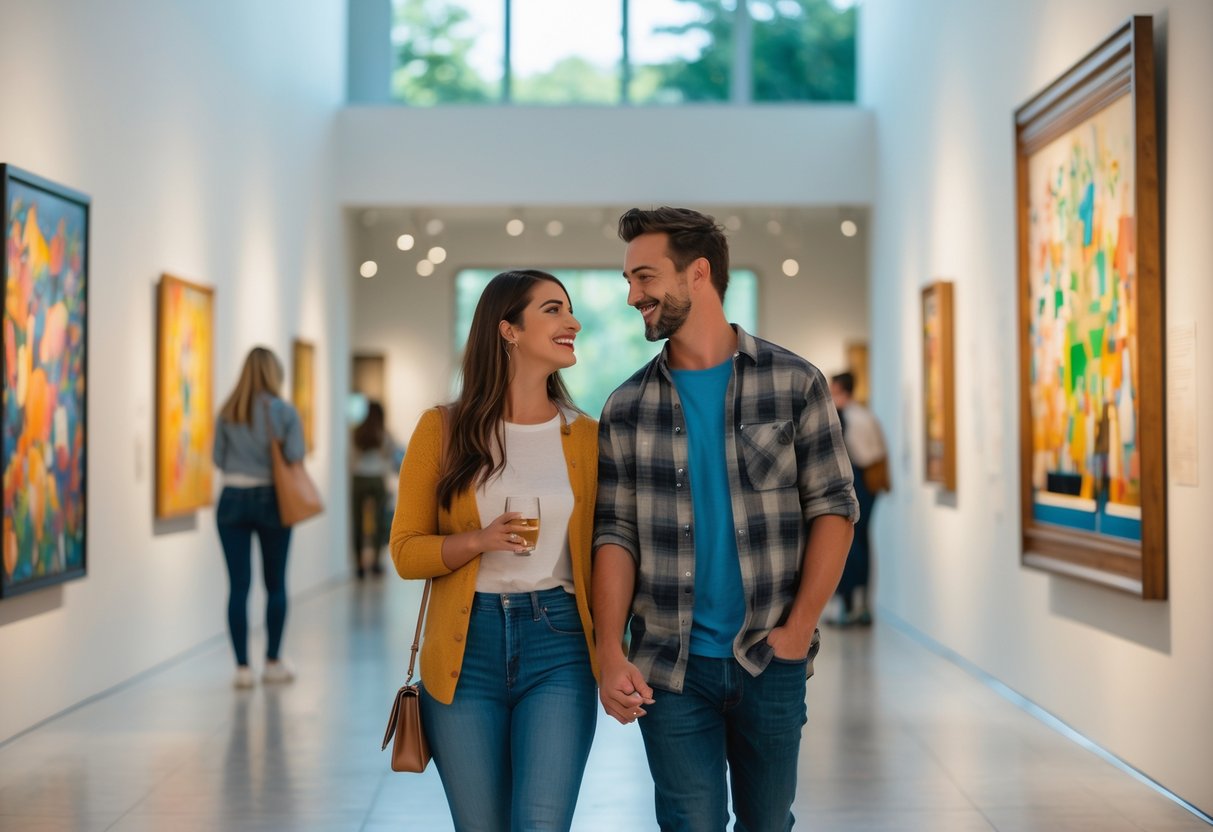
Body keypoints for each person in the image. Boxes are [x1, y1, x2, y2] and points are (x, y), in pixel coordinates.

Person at [593, 207, 859, 831]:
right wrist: (610, 649)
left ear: (699, 273)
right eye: (629, 280)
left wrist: (798, 630)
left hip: (771, 658)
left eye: (645, 277)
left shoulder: (795, 383)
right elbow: (616, 534)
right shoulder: (627, 406)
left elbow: (834, 508)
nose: (633, 296)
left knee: (769, 824)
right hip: (668, 667)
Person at [390, 269, 599, 831]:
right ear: (508, 329)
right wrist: (477, 541)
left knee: (541, 823)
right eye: (553, 310)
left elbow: (608, 551)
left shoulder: (587, 437)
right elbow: (406, 552)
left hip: (559, 644)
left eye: (570, 310)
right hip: (465, 651)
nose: (571, 322)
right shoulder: (442, 429)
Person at [212, 346, 305, 689]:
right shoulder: (283, 412)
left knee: (238, 587)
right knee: (275, 583)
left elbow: (218, 459)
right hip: (272, 499)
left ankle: (241, 669)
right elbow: (296, 454)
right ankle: (273, 661)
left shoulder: (227, 411)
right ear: (273, 373)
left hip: (231, 499)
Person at [828, 371, 889, 627]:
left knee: (851, 545)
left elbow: (858, 454)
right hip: (868, 484)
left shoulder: (846, 417)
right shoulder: (866, 414)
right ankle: (860, 605)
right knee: (861, 542)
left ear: (841, 389)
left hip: (858, 482)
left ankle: (852, 607)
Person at [350, 400, 402, 579]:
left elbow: (352, 457)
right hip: (377, 479)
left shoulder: (357, 432)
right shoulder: (383, 433)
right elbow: (392, 454)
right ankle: (376, 563)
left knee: (358, 522)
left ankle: (359, 565)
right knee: (379, 521)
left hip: (359, 479)